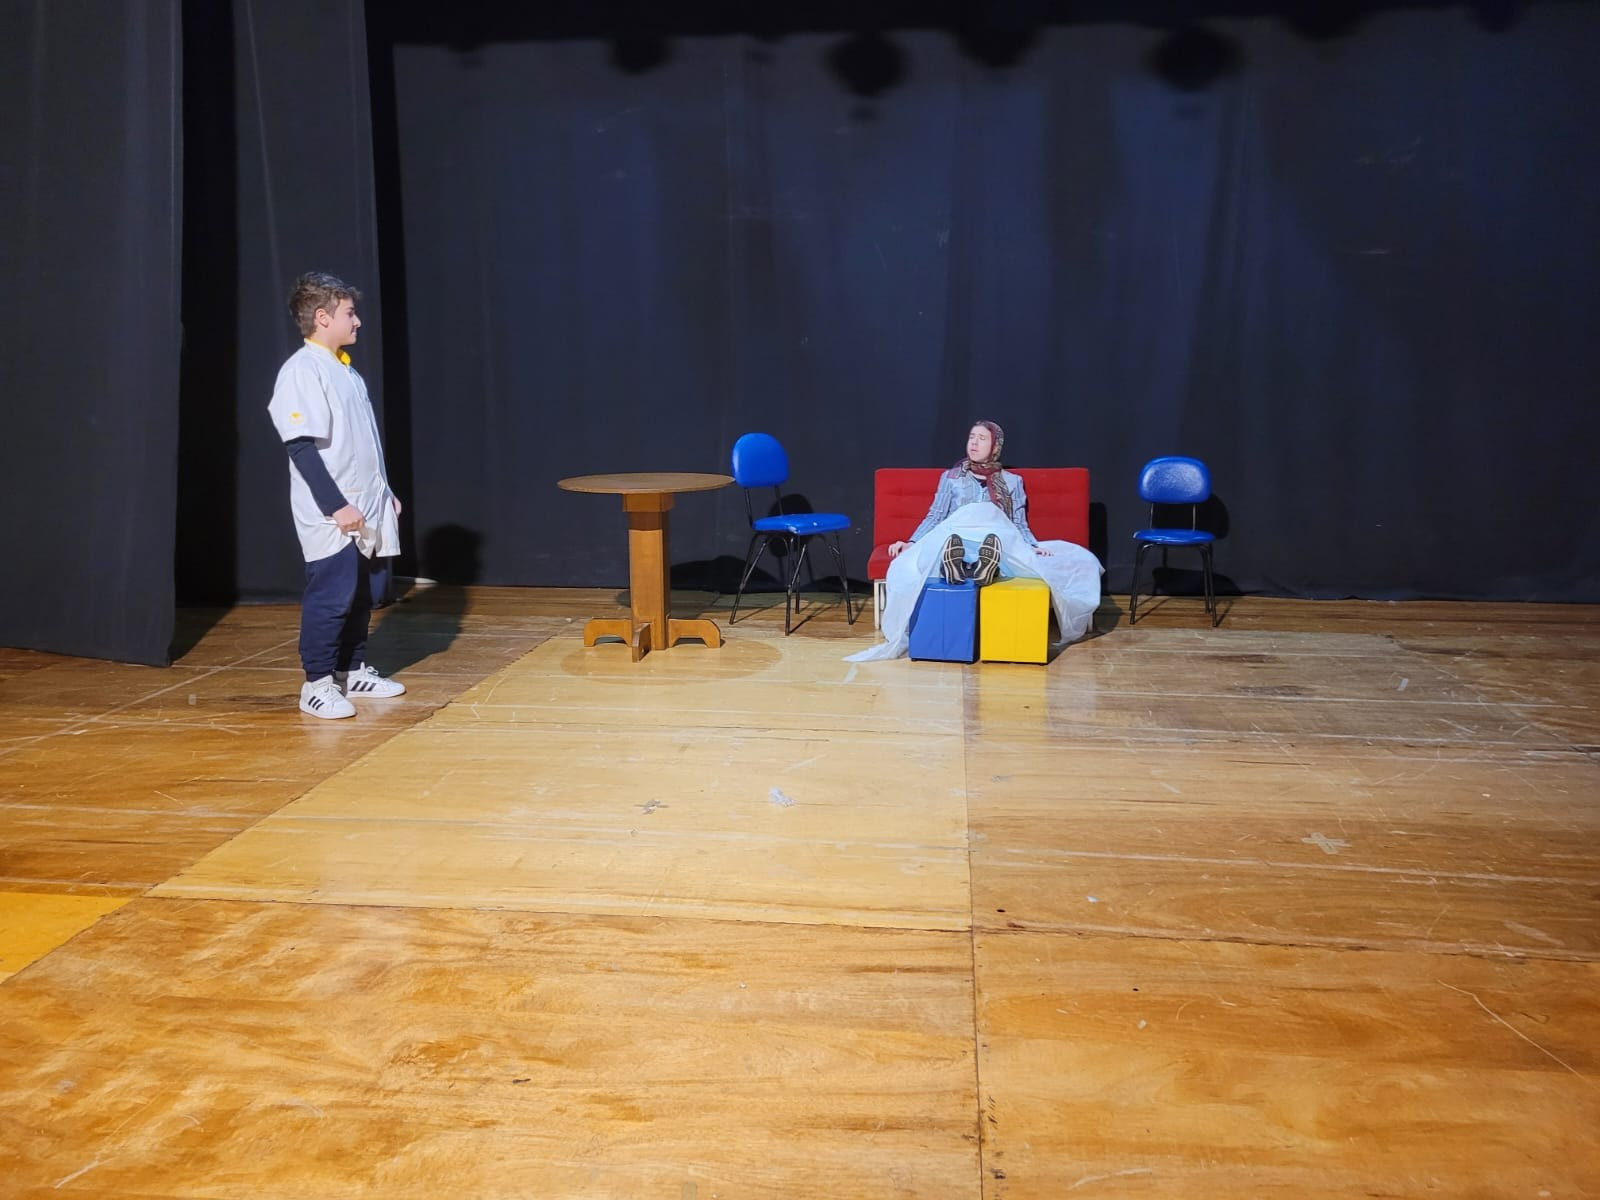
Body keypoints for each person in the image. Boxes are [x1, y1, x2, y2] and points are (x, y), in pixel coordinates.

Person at [267, 272, 406, 719]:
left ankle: (351, 670)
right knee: (332, 596)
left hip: (364, 505)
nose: (357, 321)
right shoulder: (302, 371)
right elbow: (301, 447)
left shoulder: (345, 370)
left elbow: (360, 444)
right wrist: (336, 505)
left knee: (362, 594)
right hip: (334, 510)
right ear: (323, 317)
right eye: (350, 313)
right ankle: (317, 684)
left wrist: (384, 494)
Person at [847, 420, 1103, 662]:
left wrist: (1032, 546)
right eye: (971, 437)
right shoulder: (952, 477)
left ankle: (983, 565)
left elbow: (1018, 522)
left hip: (995, 538)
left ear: (995, 446)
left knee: (1069, 558)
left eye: (982, 438)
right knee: (932, 550)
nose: (974, 442)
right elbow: (936, 515)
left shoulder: (1012, 482)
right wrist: (912, 543)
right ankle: (959, 563)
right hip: (956, 534)